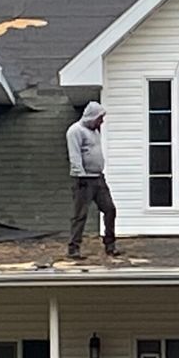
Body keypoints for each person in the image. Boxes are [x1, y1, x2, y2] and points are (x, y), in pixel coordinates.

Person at [65, 101, 118, 258]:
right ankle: (73, 248)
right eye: (99, 118)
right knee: (80, 214)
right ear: (91, 117)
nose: (101, 121)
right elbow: (74, 156)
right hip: (84, 179)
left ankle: (110, 245)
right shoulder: (75, 131)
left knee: (110, 209)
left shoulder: (95, 131)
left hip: (98, 178)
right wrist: (80, 175)